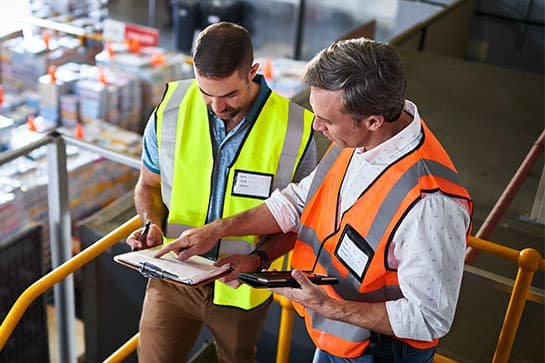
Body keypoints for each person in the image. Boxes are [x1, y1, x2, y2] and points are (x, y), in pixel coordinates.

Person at [157, 37, 473, 362]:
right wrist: (220, 230)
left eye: (326, 120)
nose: (316, 125)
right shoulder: (358, 140)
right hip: (335, 337)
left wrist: (326, 305)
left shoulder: (431, 204)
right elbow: (297, 202)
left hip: (378, 353)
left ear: (373, 121)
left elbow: (429, 318)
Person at [126, 22, 316, 363]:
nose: (216, 106)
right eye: (206, 93)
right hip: (171, 277)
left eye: (229, 95)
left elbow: (301, 222)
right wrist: (151, 223)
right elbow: (149, 184)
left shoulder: (296, 130)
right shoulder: (170, 109)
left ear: (252, 72)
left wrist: (259, 260)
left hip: (240, 289)